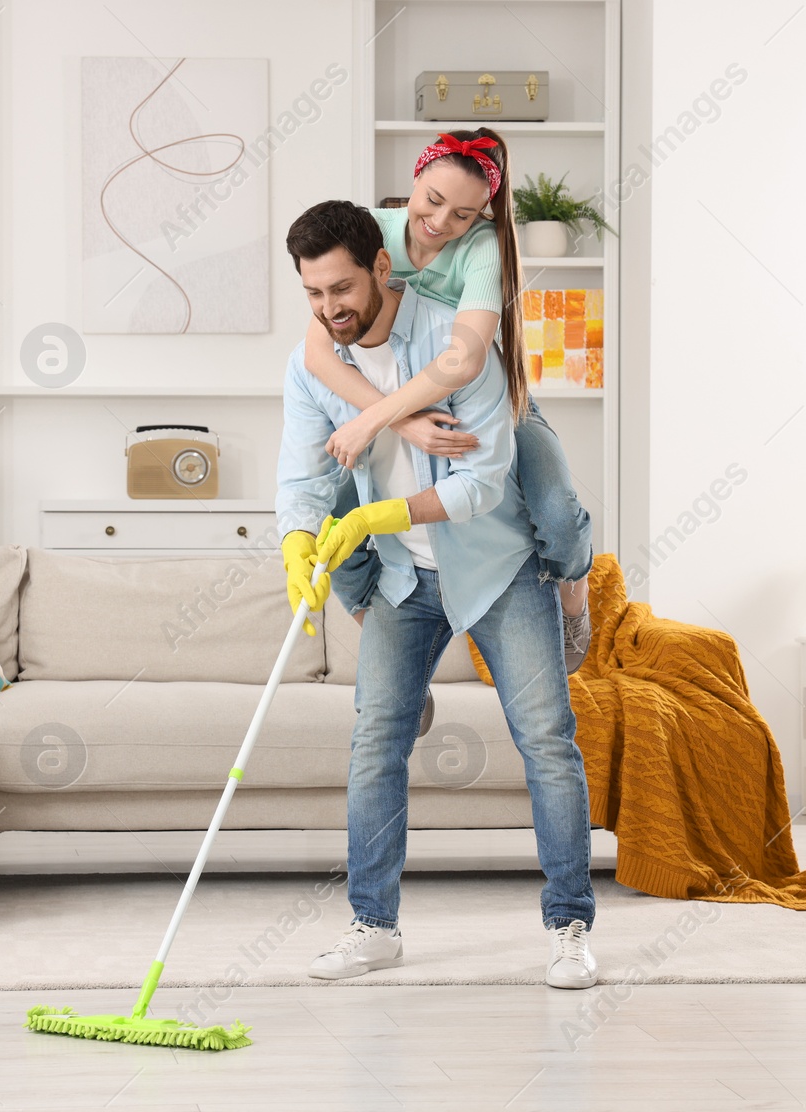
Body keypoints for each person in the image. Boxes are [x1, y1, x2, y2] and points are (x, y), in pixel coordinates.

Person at [277, 199, 596, 989]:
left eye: (342, 289)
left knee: (548, 742)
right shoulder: (314, 362)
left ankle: (570, 927)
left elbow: (485, 483)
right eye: (314, 295)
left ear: (383, 268)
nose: (330, 309)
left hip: (496, 567)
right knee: (376, 740)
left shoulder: (458, 345)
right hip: (400, 577)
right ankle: (373, 926)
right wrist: (293, 539)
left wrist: (388, 508)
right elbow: (302, 474)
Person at [305, 130, 594, 690]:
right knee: (328, 517)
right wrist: (396, 420)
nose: (440, 222)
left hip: (489, 400)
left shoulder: (484, 246)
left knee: (557, 510)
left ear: (481, 213)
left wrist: (379, 418)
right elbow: (318, 353)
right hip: (385, 402)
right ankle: (395, 673)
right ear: (415, 179)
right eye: (432, 200)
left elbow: (464, 361)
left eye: (463, 213)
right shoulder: (371, 229)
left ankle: (576, 605)